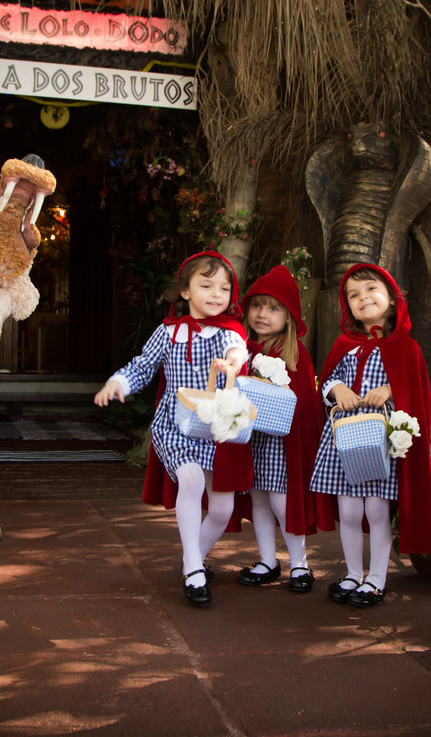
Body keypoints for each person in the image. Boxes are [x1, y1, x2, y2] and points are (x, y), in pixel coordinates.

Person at [94, 250, 250, 607]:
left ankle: (189, 558)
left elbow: (237, 351)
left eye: (224, 289)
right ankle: (195, 569)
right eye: (205, 285)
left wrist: (234, 361)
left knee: (223, 510)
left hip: (214, 427)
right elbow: (142, 366)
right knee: (192, 480)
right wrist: (118, 382)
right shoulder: (168, 333)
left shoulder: (230, 332)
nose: (215, 294)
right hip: (175, 423)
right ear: (184, 291)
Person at [309, 263, 431, 607]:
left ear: (392, 299)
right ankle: (353, 574)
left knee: (377, 512)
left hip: (381, 443)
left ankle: (377, 579)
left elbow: (415, 392)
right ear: (347, 306)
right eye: (354, 295)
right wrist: (337, 389)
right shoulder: (345, 344)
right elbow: (326, 381)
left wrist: (391, 388)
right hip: (344, 440)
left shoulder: (407, 348)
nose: (363, 297)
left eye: (370, 289)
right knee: (349, 512)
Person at [235, 265, 329, 592]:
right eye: (257, 305)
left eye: (274, 308)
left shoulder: (293, 353)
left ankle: (300, 564)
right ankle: (267, 560)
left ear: (288, 317)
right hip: (250, 441)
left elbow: (303, 403)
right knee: (259, 500)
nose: (263, 314)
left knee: (281, 501)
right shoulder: (241, 348)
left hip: (280, 442)